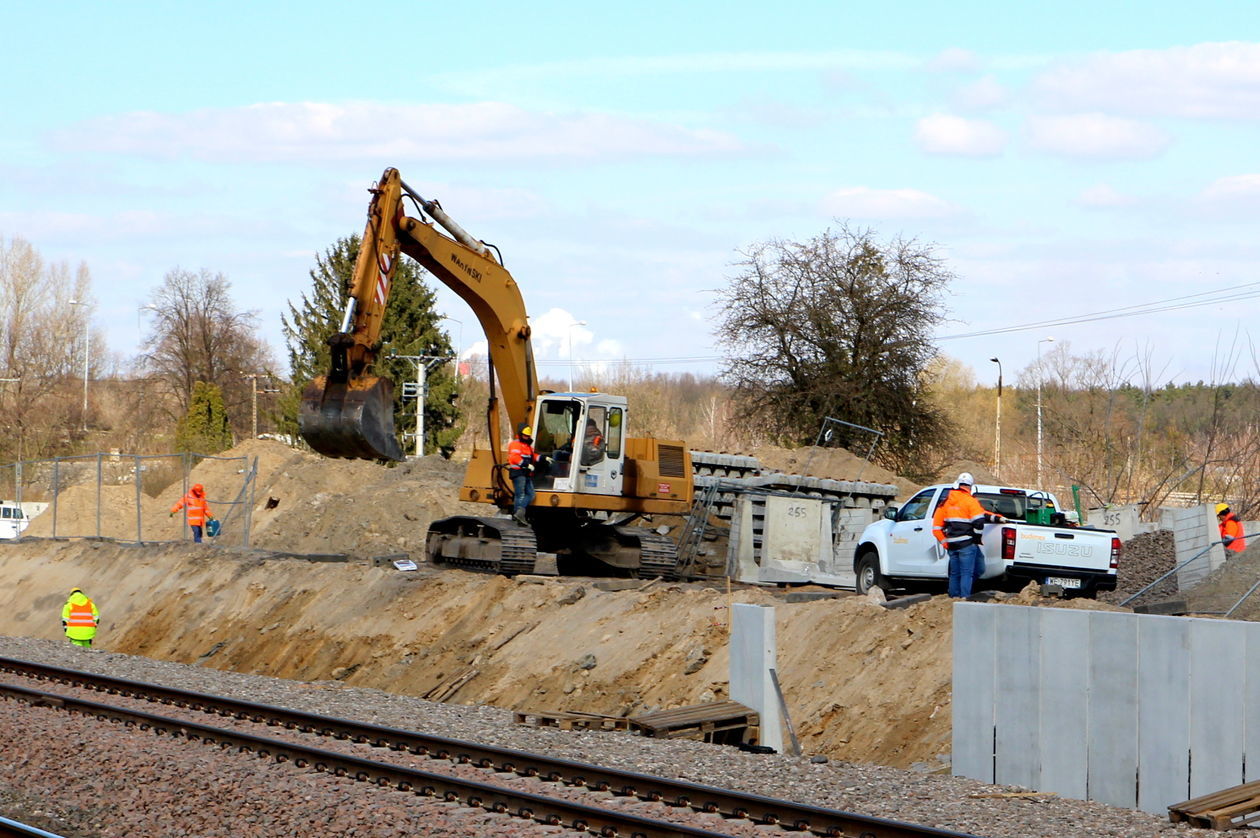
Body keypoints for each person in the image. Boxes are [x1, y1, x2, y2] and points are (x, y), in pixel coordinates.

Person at [932, 472, 1005, 598]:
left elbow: (936, 528)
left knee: (955, 573)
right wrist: (977, 538)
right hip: (967, 544)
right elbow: (979, 520)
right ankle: (964, 598)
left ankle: (953, 598)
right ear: (970, 486)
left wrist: (945, 543)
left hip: (953, 544)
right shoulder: (970, 501)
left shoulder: (946, 503)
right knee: (968, 573)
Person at [507, 423, 539, 526]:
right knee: (520, 495)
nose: (527, 437)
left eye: (528, 436)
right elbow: (514, 458)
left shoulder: (527, 446)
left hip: (525, 474)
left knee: (531, 494)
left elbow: (533, 456)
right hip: (518, 473)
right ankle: (517, 515)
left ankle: (519, 513)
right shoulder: (516, 444)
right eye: (525, 435)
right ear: (521, 434)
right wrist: (526, 465)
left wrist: (543, 458)